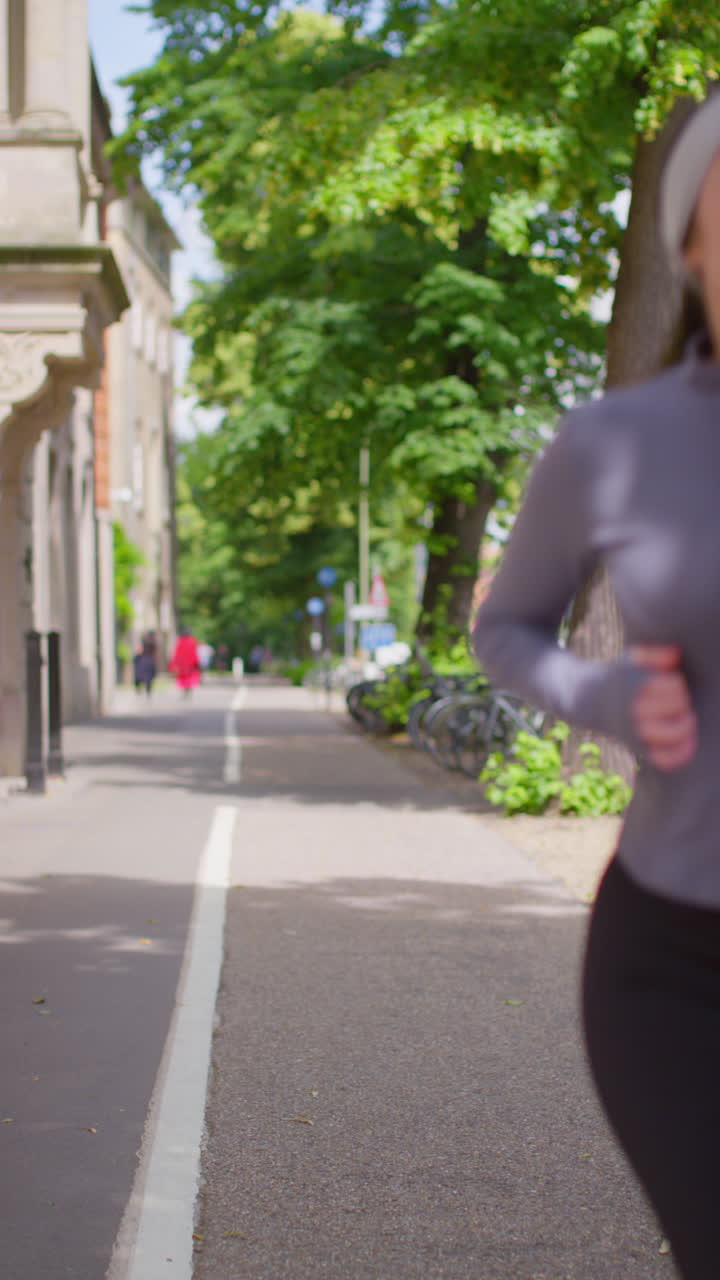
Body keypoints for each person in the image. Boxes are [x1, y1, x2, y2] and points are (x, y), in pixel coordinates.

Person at [473, 93, 720, 1280]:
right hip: (673, 956)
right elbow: (507, 628)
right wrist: (610, 699)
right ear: (690, 243)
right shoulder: (615, 442)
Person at [169, 626, 201, 697]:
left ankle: (185, 690)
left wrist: (175, 663)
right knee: (189, 677)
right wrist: (196, 662)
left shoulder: (180, 641)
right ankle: (188, 689)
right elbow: (194, 653)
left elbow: (177, 653)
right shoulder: (192, 641)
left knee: (184, 677)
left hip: (182, 664)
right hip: (190, 663)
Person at [132, 632, 157, 697]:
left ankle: (139, 689)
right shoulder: (153, 643)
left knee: (140, 676)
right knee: (148, 677)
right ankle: (147, 690)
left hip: (144, 661)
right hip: (149, 661)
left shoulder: (145, 644)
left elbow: (138, 652)